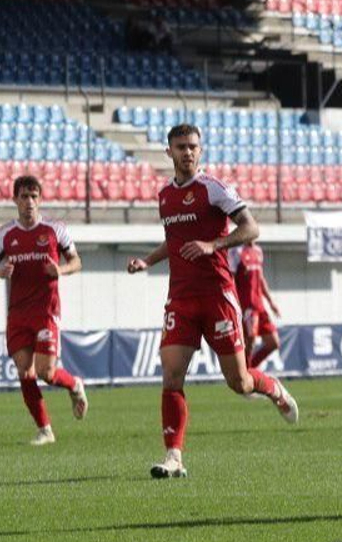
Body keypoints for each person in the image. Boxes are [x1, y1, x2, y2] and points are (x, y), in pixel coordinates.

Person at [127, 123, 298, 479]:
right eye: (180, 147)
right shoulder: (164, 197)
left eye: (192, 146)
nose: (187, 152)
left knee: (239, 383)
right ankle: (174, 456)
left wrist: (214, 244)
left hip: (218, 297)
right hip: (181, 299)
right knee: (172, 377)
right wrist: (147, 260)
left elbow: (251, 228)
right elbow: (174, 243)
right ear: (169, 152)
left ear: (200, 150)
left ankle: (274, 388)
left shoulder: (214, 189)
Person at [0, 175, 88, 445]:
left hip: (46, 312)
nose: (29, 202)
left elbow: (76, 261)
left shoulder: (54, 230)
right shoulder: (6, 234)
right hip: (17, 314)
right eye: (24, 196)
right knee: (24, 372)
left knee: (46, 373)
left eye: (34, 196)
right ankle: (45, 430)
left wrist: (60, 269)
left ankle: (74, 384)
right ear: (15, 199)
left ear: (40, 199)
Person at [231, 239, 283, 368]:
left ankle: (249, 370)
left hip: (260, 305)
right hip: (247, 306)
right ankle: (246, 376)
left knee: (274, 342)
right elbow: (230, 280)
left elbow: (260, 278)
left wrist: (271, 302)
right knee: (250, 342)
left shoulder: (258, 251)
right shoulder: (236, 252)